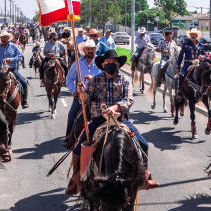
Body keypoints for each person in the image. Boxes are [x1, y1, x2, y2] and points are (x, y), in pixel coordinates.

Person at [66, 49, 158, 195]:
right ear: (103, 64)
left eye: (114, 62)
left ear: (118, 64)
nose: (111, 64)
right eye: (108, 62)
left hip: (119, 119)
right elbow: (85, 100)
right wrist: (81, 92)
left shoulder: (125, 80)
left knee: (143, 144)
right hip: (98, 120)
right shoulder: (95, 80)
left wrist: (115, 107)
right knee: (79, 146)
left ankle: (144, 176)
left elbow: (129, 99)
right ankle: (76, 178)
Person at [63, 39, 102, 147]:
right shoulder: (77, 64)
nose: (90, 51)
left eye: (92, 49)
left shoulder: (101, 63)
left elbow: (106, 77)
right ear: (84, 50)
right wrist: (74, 91)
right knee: (71, 114)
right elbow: (69, 79)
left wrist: (93, 78)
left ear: (95, 50)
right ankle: (68, 137)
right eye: (88, 49)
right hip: (82, 96)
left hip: (98, 96)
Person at [0, 31, 29, 108]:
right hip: (0, 70)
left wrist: (10, 60)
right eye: (1, 37)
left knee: (24, 82)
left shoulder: (14, 46)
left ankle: (24, 102)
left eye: (4, 37)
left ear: (8, 38)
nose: (2, 39)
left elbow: (20, 57)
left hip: (11, 69)